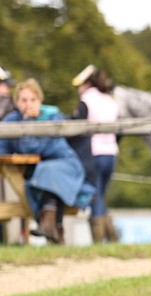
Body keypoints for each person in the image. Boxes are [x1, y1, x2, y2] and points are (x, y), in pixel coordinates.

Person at [0, 79, 94, 244]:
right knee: (42, 175)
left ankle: (50, 226)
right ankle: (54, 230)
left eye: (32, 100)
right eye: (23, 100)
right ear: (16, 102)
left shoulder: (51, 116)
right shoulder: (11, 120)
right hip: (40, 169)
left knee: (46, 173)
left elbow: (36, 148)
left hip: (65, 164)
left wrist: (29, 120)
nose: (28, 104)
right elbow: (2, 144)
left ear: (40, 101)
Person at [71, 65, 119, 243]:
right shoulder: (110, 100)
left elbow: (77, 126)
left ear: (86, 84)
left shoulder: (86, 101)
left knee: (95, 197)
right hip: (111, 153)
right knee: (101, 196)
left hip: (93, 154)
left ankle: (99, 241)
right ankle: (113, 237)